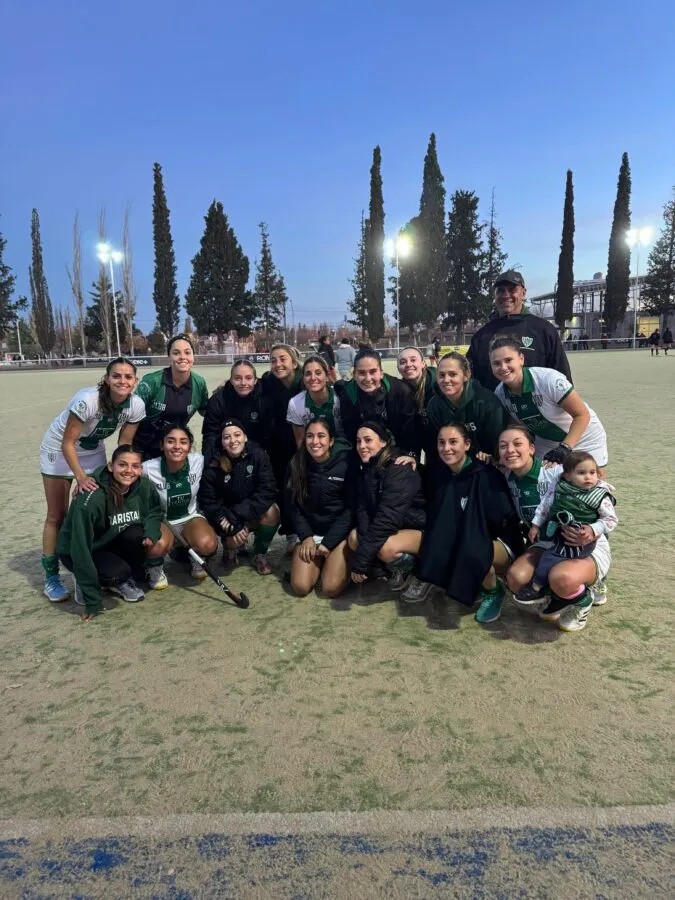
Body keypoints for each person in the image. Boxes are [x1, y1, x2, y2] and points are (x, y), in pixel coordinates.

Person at [39, 357, 145, 602]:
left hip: (92, 450)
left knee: (97, 509)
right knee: (57, 514)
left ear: (135, 381)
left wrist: (124, 470)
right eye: (116, 376)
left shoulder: (136, 405)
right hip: (59, 450)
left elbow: (124, 443)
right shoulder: (87, 400)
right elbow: (68, 443)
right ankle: (51, 577)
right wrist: (80, 476)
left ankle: (91, 566)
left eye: (128, 377)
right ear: (106, 379)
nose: (122, 381)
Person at [401, 424, 524, 623]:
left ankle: (493, 591)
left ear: (467, 445)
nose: (446, 448)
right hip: (462, 537)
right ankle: (433, 577)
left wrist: (469, 531)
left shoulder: (486, 475)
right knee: (439, 539)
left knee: (469, 548)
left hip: (499, 542)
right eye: (441, 443)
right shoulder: (438, 472)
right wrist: (412, 459)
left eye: (453, 442)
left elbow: (502, 520)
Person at [498, 426, 611, 632]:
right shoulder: (506, 478)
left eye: (517, 444)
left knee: (562, 578)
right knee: (516, 579)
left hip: (584, 544)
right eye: (503, 446)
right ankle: (553, 599)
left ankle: (584, 597)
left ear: (532, 448)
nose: (510, 450)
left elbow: (597, 483)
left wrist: (591, 531)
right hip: (548, 543)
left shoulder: (554, 471)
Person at [57, 445, 172, 621]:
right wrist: (92, 599)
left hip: (109, 541)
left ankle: (119, 577)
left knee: (136, 536)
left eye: (135, 466)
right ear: (111, 466)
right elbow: (80, 547)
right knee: (119, 573)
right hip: (80, 550)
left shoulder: (143, 486)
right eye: (122, 465)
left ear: (140, 469)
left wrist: (150, 532)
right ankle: (87, 579)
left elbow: (154, 511)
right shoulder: (92, 498)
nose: (129, 471)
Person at [490, 336, 608, 472]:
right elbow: (517, 427)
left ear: (521, 359)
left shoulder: (548, 379)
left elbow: (582, 415)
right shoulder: (500, 393)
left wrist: (565, 447)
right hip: (547, 442)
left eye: (508, 360)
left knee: (591, 481)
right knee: (544, 483)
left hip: (585, 437)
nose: (503, 367)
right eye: (496, 363)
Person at [515, 450, 617, 604]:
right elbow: (545, 507)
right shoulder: (560, 487)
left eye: (592, 472)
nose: (588, 477)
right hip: (559, 535)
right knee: (550, 560)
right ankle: (558, 592)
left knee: (550, 559)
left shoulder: (599, 495)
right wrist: (535, 525)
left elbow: (611, 519)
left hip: (582, 541)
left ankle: (538, 587)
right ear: (567, 476)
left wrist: (592, 529)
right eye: (581, 473)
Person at [197, 419, 279, 574]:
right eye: (227, 437)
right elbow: (208, 502)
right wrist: (231, 523)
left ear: (245, 437)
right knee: (233, 540)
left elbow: (267, 491)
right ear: (222, 442)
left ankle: (259, 553)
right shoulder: (213, 463)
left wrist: (237, 514)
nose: (233, 440)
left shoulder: (258, 455)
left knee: (272, 512)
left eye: (237, 435)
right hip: (226, 519)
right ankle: (229, 548)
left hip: (245, 512)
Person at [348, 422, 426, 586]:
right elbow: (363, 512)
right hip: (396, 527)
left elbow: (388, 518)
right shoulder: (368, 469)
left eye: (368, 440)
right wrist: (373, 564)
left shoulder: (398, 468)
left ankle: (419, 574)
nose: (362, 446)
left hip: (418, 528)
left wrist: (362, 560)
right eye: (358, 441)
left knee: (386, 548)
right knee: (355, 537)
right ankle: (392, 569)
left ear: (383, 442)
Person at [285, 418, 356, 598]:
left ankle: (341, 563)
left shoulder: (347, 464)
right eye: (310, 436)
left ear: (331, 441)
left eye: (321, 436)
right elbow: (293, 506)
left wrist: (330, 542)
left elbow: (351, 510)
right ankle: (320, 563)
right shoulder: (296, 463)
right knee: (300, 588)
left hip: (338, 536)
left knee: (330, 589)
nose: (315, 441)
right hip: (312, 534)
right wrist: (306, 536)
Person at [466, 270, 571, 390]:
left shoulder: (544, 330)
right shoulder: (481, 336)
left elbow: (562, 378)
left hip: (537, 402)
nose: (506, 295)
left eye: (512, 290)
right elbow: (469, 380)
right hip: (492, 402)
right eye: (501, 290)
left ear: (523, 293)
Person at [142, 424, 219, 584]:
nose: (177, 446)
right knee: (156, 546)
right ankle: (155, 568)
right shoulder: (148, 468)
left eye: (183, 442)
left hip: (190, 518)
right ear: (162, 445)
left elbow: (223, 455)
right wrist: (92, 478)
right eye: (170, 441)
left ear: (189, 446)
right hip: (163, 521)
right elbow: (122, 471)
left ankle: (196, 559)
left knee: (208, 544)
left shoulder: (198, 461)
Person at [134, 334, 209, 460]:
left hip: (175, 450)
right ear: (169, 357)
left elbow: (207, 411)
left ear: (193, 357)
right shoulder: (152, 382)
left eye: (187, 352)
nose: (182, 357)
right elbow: (131, 417)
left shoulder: (199, 383)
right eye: (176, 353)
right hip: (143, 449)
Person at [426, 352, 508, 459]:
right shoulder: (434, 406)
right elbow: (434, 446)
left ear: (466, 375)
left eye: (453, 374)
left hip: (485, 461)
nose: (446, 380)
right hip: (450, 461)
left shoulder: (487, 402)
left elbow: (498, 442)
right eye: (441, 375)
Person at [335, 350, 418, 457]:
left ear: (381, 373)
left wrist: (409, 455)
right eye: (361, 373)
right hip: (364, 452)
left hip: (397, 451)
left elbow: (409, 433)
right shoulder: (347, 395)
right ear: (354, 375)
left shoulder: (401, 391)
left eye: (373, 372)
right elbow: (351, 434)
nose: (368, 378)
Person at [260, 344, 303, 546]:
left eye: (282, 359)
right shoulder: (268, 381)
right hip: (277, 444)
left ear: (294, 363)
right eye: (273, 360)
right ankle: (290, 533)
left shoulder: (304, 380)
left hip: (303, 442)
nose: (277, 364)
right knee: (283, 489)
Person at [202, 359, 270, 462]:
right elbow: (210, 435)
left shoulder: (265, 398)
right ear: (231, 380)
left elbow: (269, 433)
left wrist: (260, 457)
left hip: (256, 452)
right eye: (237, 378)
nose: (243, 383)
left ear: (255, 380)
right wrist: (213, 460)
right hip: (227, 451)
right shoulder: (218, 401)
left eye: (248, 378)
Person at [287, 355, 344, 446]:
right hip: (314, 449)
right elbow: (301, 442)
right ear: (303, 378)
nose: (313, 378)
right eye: (308, 374)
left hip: (341, 448)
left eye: (318, 373)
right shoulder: (295, 403)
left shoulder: (341, 397)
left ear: (327, 376)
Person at [397, 346, 437, 454]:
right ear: (398, 368)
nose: (408, 364)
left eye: (413, 360)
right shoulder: (399, 392)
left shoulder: (438, 384)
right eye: (403, 362)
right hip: (418, 442)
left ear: (423, 363)